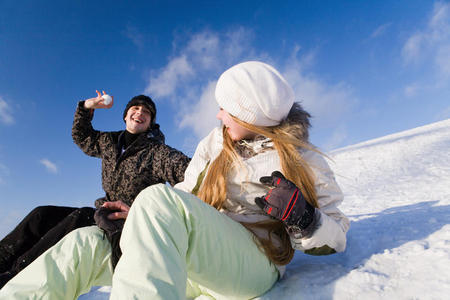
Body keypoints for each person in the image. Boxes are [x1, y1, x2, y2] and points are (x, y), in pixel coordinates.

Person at [0, 61, 349, 299]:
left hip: (253, 262)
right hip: (197, 258)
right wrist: (132, 212)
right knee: (85, 242)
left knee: (155, 198)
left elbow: (336, 237)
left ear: (250, 113)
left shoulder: (302, 158)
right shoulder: (213, 143)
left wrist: (306, 220)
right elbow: (185, 196)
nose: (218, 114)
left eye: (226, 107)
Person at [0, 91, 190, 288]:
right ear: (125, 115)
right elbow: (81, 136)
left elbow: (191, 173)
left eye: (147, 112)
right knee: (41, 214)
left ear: (150, 122)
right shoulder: (109, 142)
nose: (140, 112)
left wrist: (142, 212)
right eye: (135, 108)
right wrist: (87, 107)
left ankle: (15, 275)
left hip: (129, 222)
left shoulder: (158, 152)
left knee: (81, 216)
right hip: (103, 212)